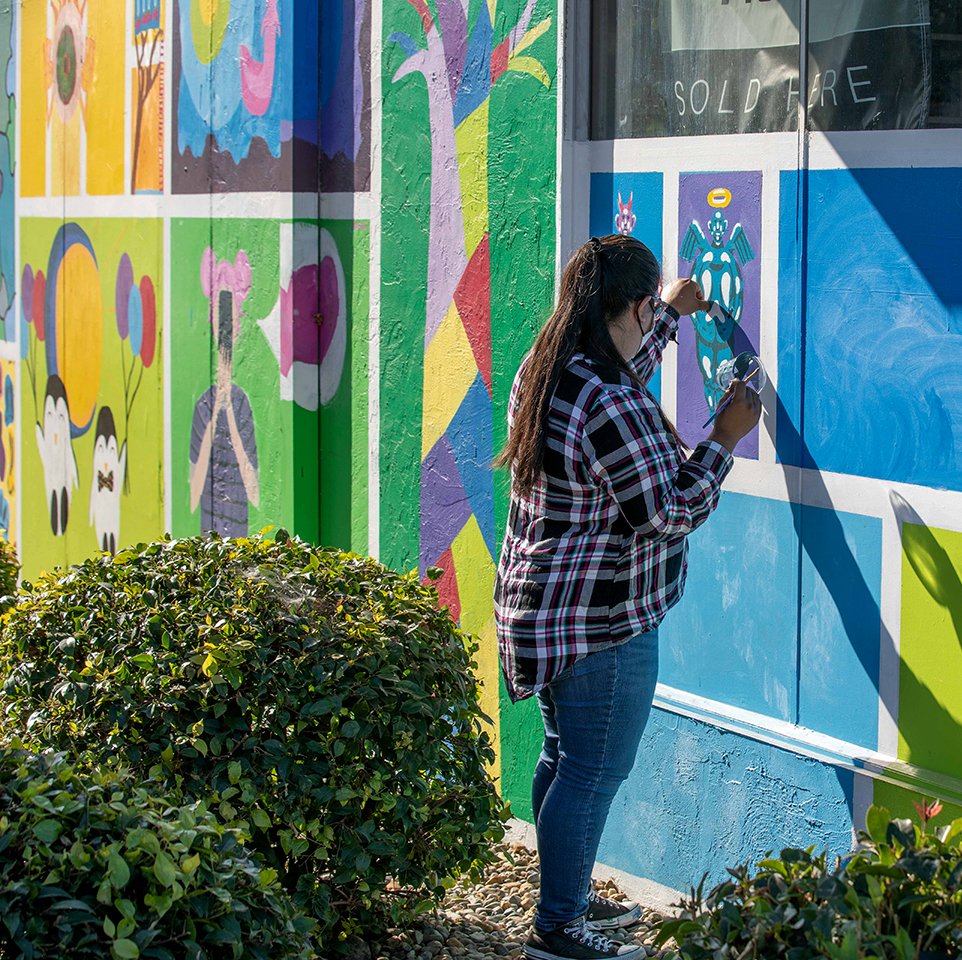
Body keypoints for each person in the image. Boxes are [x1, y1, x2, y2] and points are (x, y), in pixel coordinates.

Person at [493, 234, 760, 960]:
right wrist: (725, 438)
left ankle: (564, 901)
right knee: (592, 772)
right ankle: (559, 929)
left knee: (563, 758)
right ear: (633, 307)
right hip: (599, 624)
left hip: (544, 612)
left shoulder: (552, 365)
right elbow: (666, 509)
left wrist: (668, 314)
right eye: (649, 312)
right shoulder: (607, 399)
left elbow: (618, 379)